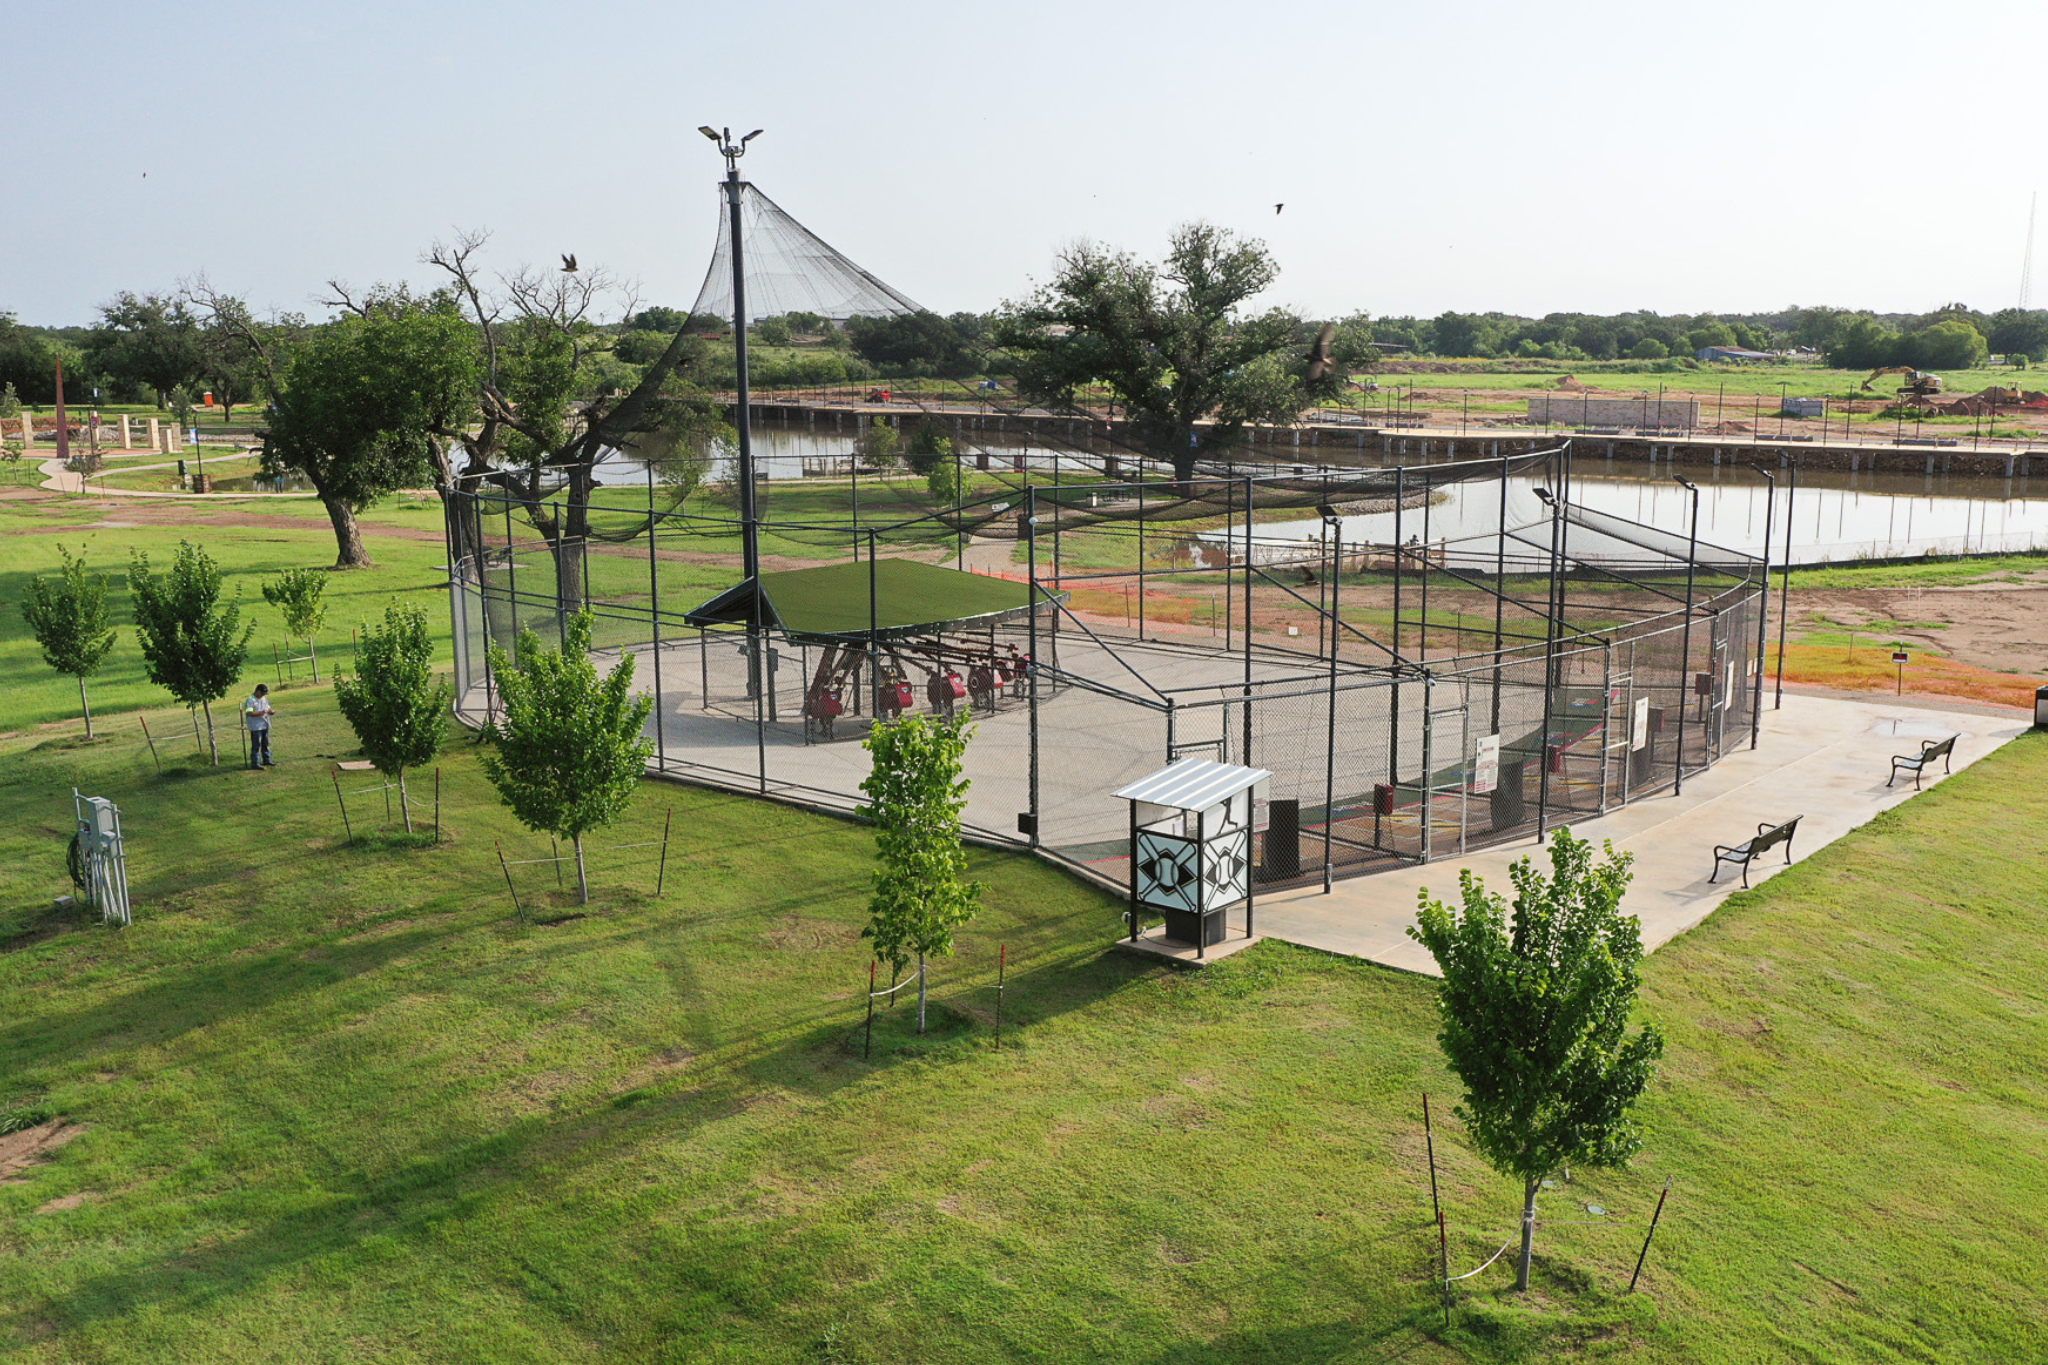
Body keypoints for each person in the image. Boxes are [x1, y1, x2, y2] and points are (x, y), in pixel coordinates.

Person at [243, 684, 275, 768]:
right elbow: (249, 713)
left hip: (265, 724)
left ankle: (267, 760)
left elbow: (268, 709)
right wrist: (260, 713)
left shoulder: (264, 699)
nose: (263, 695)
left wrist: (270, 712)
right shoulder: (250, 700)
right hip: (256, 726)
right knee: (256, 745)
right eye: (262, 693)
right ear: (257, 691)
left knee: (266, 743)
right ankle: (255, 763)